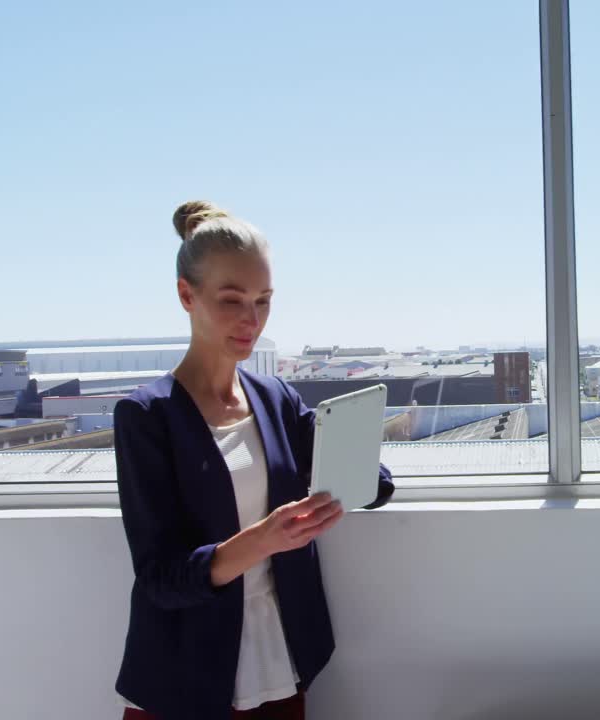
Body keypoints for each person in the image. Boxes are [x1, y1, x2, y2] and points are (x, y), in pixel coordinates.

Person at [113, 201, 394, 720]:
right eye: (232, 299)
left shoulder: (276, 399)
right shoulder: (147, 415)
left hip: (280, 661)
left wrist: (355, 467)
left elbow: (372, 483)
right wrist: (264, 539)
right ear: (185, 294)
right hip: (186, 675)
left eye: (264, 301)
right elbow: (161, 578)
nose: (252, 320)